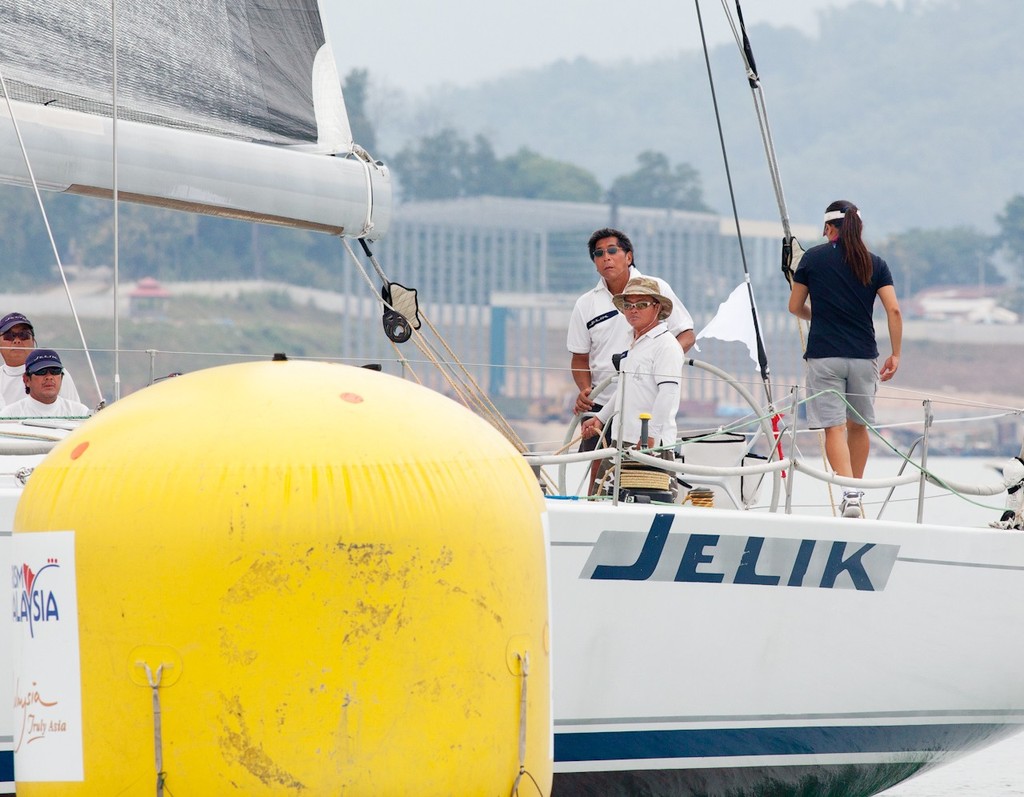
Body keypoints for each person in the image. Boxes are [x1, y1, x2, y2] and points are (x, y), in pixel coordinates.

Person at [788, 200, 902, 518]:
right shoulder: (875, 263)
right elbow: (893, 309)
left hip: (824, 355)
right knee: (858, 426)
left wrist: (818, 316)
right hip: (865, 357)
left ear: (828, 228)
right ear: (858, 227)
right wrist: (896, 353)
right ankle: (857, 492)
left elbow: (795, 307)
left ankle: (848, 491)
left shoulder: (812, 259)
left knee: (834, 428)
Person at [567, 227, 693, 430]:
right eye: (598, 254)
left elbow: (686, 334)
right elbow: (580, 357)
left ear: (628, 257)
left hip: (645, 399)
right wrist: (585, 390)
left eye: (612, 250)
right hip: (600, 402)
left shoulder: (656, 289)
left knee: (638, 458)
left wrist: (656, 362)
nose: (606, 257)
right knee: (594, 460)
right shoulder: (585, 304)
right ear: (595, 264)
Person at [580, 276, 683, 456]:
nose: (633, 310)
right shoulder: (633, 343)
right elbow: (624, 388)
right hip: (622, 439)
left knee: (643, 485)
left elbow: (668, 394)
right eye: (628, 305)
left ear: (657, 307)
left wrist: (650, 435)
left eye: (642, 304)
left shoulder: (666, 345)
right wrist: (600, 418)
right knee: (608, 484)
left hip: (651, 445)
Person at [0, 312, 82, 407]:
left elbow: (74, 413)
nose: (17, 340)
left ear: (33, 341)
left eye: (24, 335)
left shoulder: (55, 372)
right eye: (9, 336)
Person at [0, 349, 91, 419]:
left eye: (55, 371)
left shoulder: (80, 413)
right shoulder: (9, 415)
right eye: (41, 371)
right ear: (26, 380)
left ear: (62, 377)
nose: (49, 377)